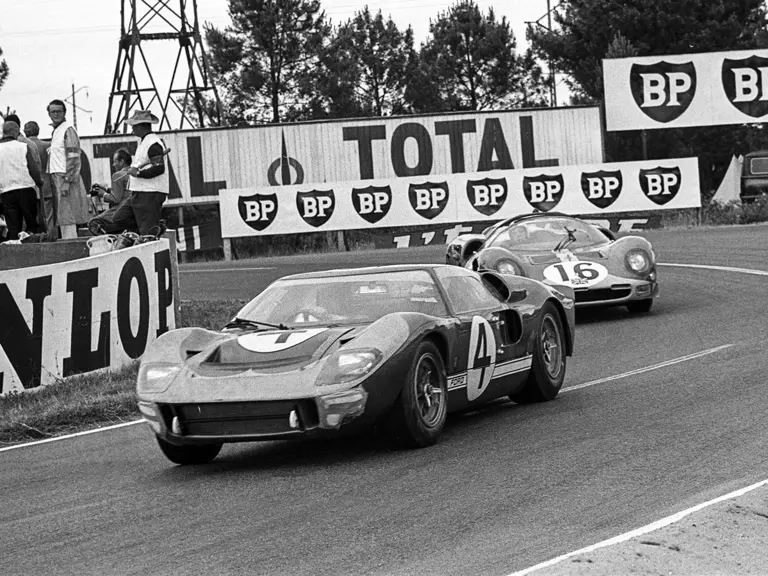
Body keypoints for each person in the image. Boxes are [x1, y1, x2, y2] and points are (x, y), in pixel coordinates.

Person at [111, 109, 168, 236]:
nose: (132, 129)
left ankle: (153, 230)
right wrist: (132, 169)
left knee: (148, 233)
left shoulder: (153, 144)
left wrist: (138, 173)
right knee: (119, 218)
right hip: (140, 192)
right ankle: (155, 227)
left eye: (134, 126)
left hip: (150, 193)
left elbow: (159, 168)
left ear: (141, 126)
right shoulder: (145, 142)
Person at [47, 99, 89, 239]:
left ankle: (70, 244)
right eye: (53, 111)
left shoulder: (68, 129)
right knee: (62, 216)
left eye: (59, 111)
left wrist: (67, 180)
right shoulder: (56, 131)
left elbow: (74, 157)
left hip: (65, 177)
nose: (56, 114)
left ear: (65, 112)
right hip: (56, 177)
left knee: (68, 216)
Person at [0, 121, 43, 240]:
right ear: (15, 132)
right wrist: (39, 182)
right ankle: (32, 249)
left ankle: (15, 252)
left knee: (13, 226)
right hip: (26, 190)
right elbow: (33, 169)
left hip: (7, 192)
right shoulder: (23, 147)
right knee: (31, 224)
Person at [87, 147, 138, 235]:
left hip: (122, 210)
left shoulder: (117, 175)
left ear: (122, 162)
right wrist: (106, 189)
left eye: (115, 161)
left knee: (93, 224)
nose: (113, 164)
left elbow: (116, 199)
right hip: (135, 211)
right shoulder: (134, 173)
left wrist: (103, 195)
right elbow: (125, 192)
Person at [23, 120, 56, 238]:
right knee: (49, 216)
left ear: (25, 131)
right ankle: (51, 237)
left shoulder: (22, 145)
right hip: (47, 185)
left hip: (29, 186)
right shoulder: (47, 145)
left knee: (31, 216)